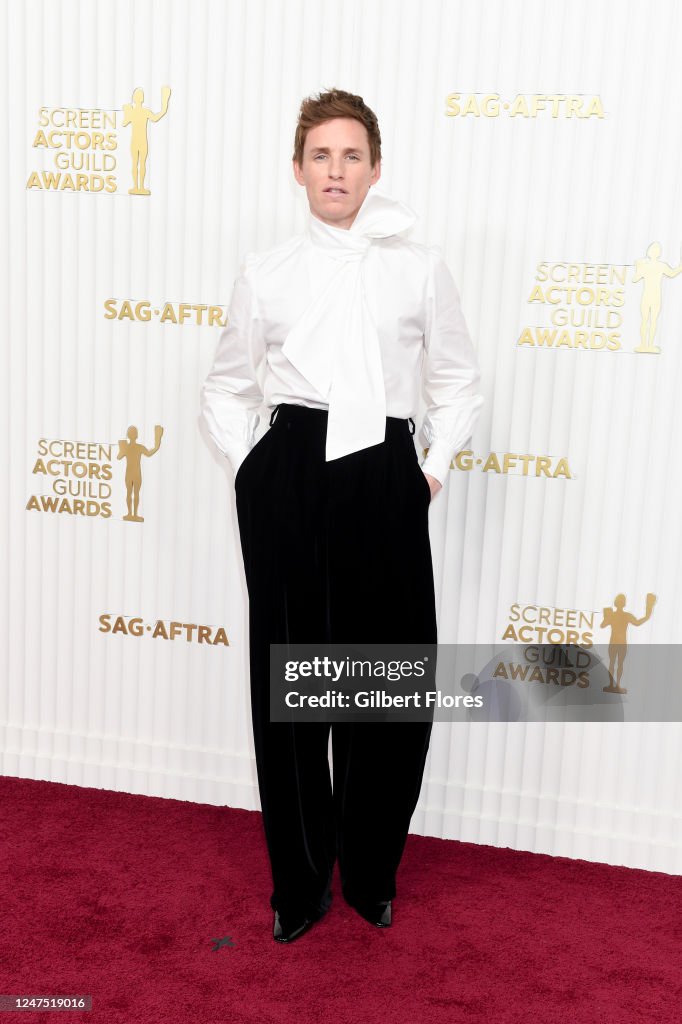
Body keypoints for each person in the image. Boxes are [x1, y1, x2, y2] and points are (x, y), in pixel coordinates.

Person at [200, 87, 484, 943]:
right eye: (321, 155)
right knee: (292, 685)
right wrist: (254, 470)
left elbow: (458, 380)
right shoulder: (266, 270)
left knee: (388, 680)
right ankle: (299, 884)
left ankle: (369, 872)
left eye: (351, 154)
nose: (336, 169)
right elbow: (227, 384)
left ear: (375, 166)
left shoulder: (419, 266)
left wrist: (427, 471)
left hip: (387, 474)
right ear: (297, 170)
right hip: (290, 472)